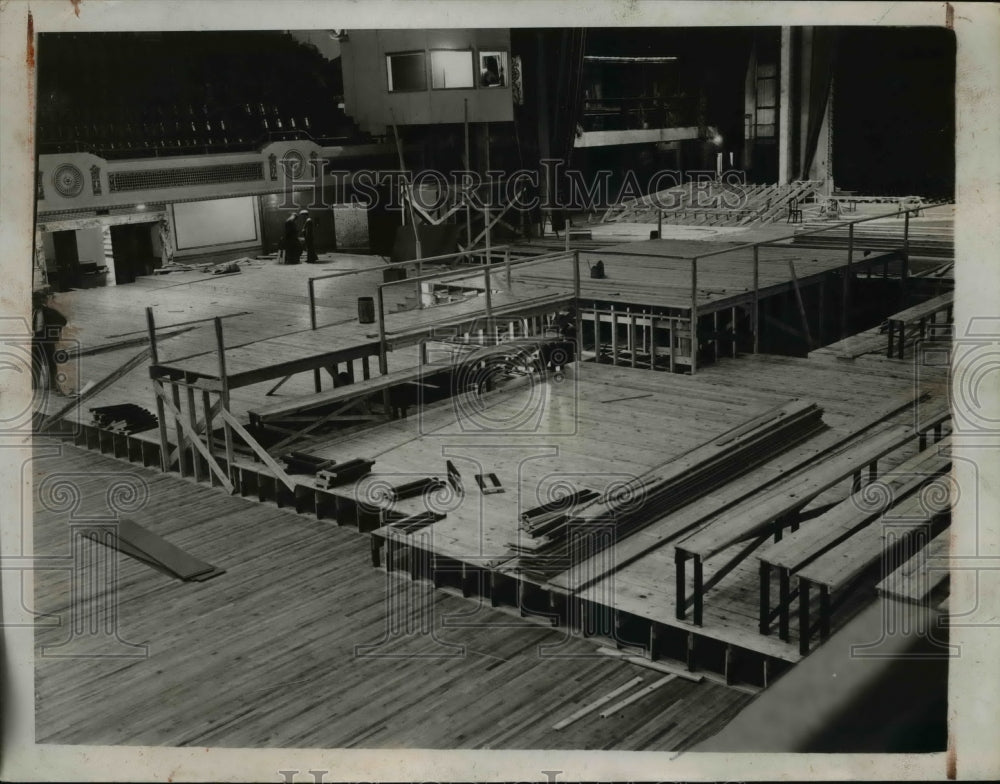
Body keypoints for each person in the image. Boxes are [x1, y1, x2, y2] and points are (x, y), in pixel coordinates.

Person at [32, 288, 68, 395]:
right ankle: (34, 384)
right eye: (33, 301)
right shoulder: (32, 311)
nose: (34, 303)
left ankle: (52, 385)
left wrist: (53, 334)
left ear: (40, 301)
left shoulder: (49, 312)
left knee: (50, 363)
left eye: (35, 300)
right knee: (35, 362)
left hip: (47, 340)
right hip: (36, 340)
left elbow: (63, 321)